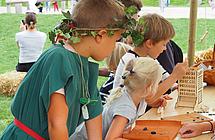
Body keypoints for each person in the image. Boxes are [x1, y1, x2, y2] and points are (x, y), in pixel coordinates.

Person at [0, 0, 126, 139]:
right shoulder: (59, 58)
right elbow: (56, 124)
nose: (115, 46)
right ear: (100, 35)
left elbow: (93, 115)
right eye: (115, 40)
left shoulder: (84, 66)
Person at [71, 57, 163, 139]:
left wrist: (151, 103)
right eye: (157, 83)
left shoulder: (129, 93)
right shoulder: (126, 109)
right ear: (149, 87)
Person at [113, 13, 188, 107]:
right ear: (150, 43)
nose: (165, 49)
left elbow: (148, 97)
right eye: (164, 44)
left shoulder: (150, 60)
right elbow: (149, 96)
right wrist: (174, 77)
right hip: (122, 118)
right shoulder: (131, 61)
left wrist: (153, 102)